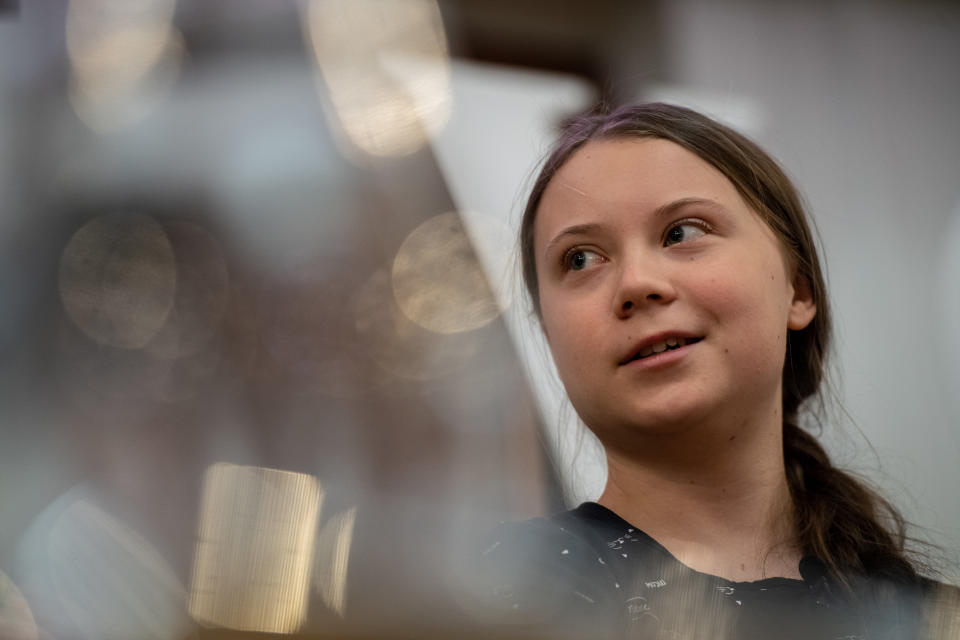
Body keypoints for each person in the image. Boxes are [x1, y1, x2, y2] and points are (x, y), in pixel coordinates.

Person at [460, 103, 958, 639]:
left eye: (682, 232)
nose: (636, 284)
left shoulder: (932, 622)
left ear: (799, 289)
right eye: (580, 259)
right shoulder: (483, 602)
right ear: (548, 335)